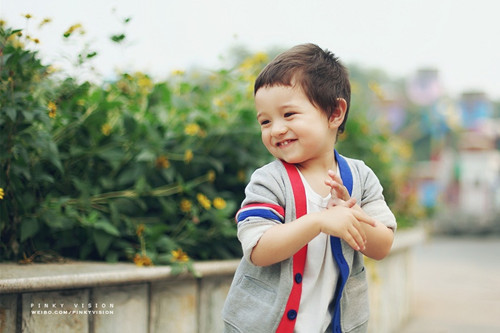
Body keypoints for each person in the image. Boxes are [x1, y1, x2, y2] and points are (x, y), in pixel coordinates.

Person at [222, 43, 397, 333]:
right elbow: (257, 249)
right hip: (264, 325)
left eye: (288, 115)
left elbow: (382, 245)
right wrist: (318, 221)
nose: (275, 129)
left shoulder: (361, 177)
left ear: (334, 113)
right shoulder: (269, 181)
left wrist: (348, 216)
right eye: (265, 121)